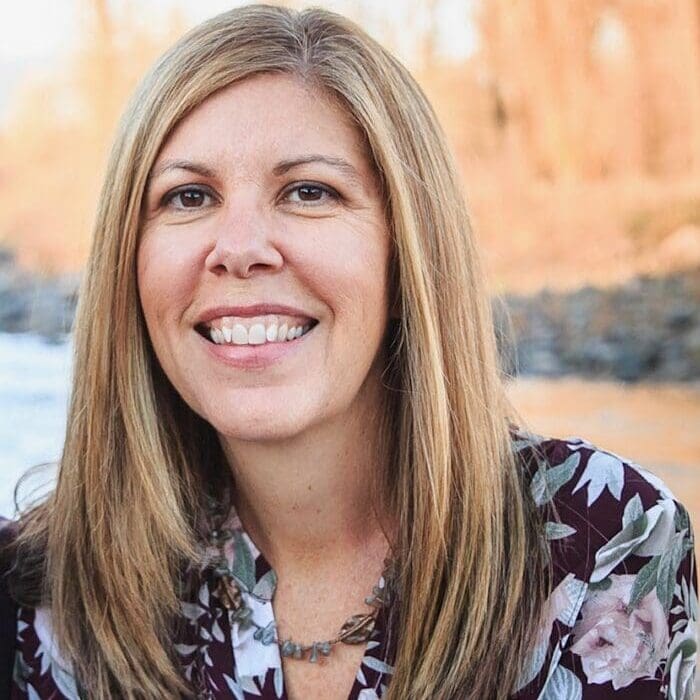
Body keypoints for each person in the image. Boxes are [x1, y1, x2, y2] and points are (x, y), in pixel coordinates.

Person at [0, 4, 696, 699]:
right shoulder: (39, 598)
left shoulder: (606, 547)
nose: (239, 248)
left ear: (407, 255)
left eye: (309, 191)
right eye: (187, 196)